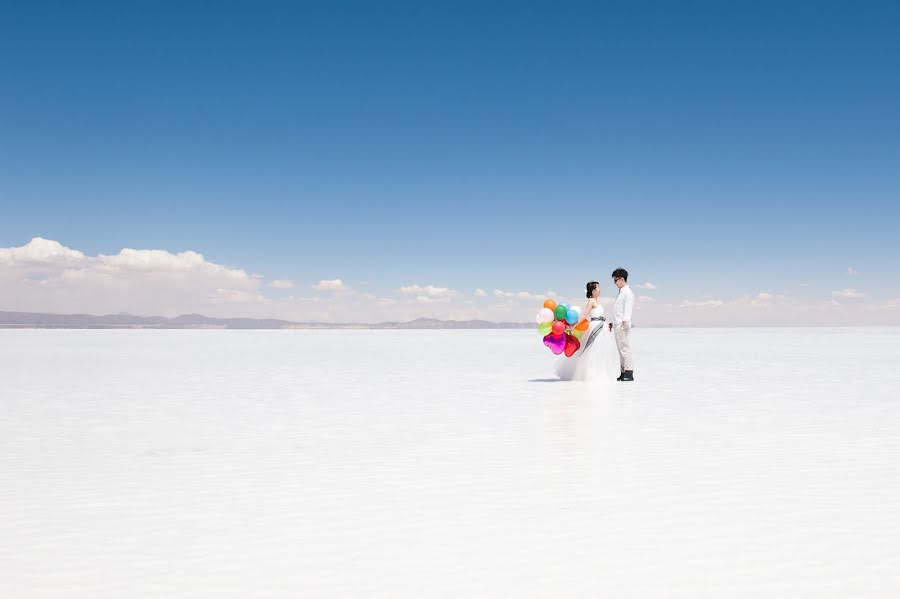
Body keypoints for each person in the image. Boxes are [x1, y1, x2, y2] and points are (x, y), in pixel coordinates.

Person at [555, 281, 620, 383]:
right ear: (593, 291)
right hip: (595, 327)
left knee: (600, 351)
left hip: (601, 326)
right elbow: (584, 315)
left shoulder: (595, 301)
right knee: (593, 351)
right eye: (598, 288)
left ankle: (598, 373)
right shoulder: (591, 301)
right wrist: (573, 326)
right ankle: (589, 374)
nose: (600, 290)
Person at [611, 268, 635, 381]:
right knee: (620, 349)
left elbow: (627, 309)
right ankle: (623, 372)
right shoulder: (621, 292)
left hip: (622, 324)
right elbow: (617, 310)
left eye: (615, 280)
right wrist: (612, 322)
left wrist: (624, 322)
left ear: (621, 279)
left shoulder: (628, 292)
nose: (615, 283)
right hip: (617, 323)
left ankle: (629, 373)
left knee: (625, 348)